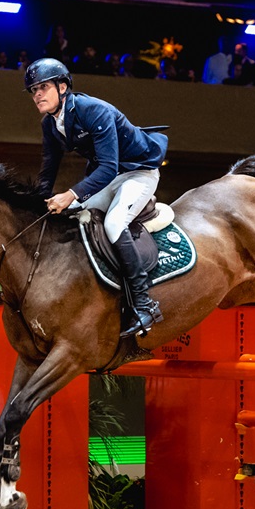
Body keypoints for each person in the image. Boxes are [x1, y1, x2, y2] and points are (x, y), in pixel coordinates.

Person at [25, 57, 168, 338]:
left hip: (139, 172)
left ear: (63, 86)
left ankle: (144, 304)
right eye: (33, 90)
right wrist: (38, 203)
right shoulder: (50, 124)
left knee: (114, 223)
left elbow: (108, 167)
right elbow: (49, 166)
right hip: (112, 177)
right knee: (74, 214)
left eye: (43, 87)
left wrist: (70, 193)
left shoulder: (94, 110)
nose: (37, 94)